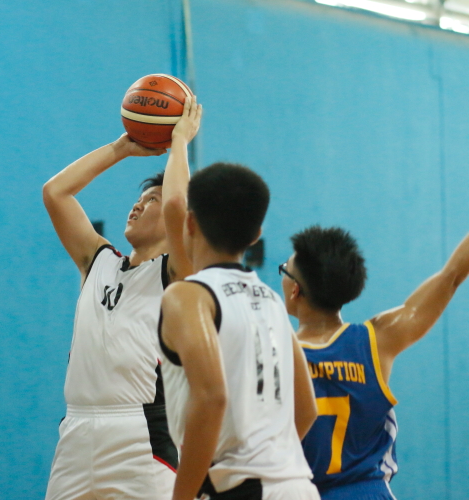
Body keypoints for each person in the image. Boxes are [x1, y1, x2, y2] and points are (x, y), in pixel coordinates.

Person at [41, 94, 201, 500]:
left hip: (140, 434)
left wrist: (180, 141)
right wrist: (120, 149)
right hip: (76, 429)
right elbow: (56, 192)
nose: (138, 204)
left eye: (152, 201)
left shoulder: (177, 271)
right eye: (140, 197)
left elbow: (180, 206)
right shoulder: (98, 261)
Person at [159, 163, 320, 500]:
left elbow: (211, 397)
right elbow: (307, 409)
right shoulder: (273, 300)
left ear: (190, 223)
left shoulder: (187, 295)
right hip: (298, 486)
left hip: (242, 488)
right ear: (255, 235)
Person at [280, 226, 469, 500]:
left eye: (285, 269)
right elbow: (451, 276)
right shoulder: (376, 340)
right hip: (369, 493)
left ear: (295, 290)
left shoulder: (276, 353)